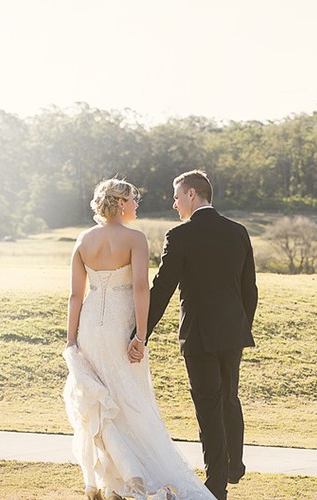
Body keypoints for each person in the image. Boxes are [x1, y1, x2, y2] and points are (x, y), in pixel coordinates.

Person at [62, 178, 214, 500]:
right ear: (119, 203)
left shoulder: (83, 240)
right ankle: (134, 477)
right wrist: (140, 336)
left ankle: (119, 480)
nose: (136, 205)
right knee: (131, 402)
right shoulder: (135, 239)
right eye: (133, 200)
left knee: (102, 403)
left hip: (89, 327)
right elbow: (140, 288)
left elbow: (76, 295)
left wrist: (71, 341)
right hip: (120, 328)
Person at [127, 170, 258, 500]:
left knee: (208, 406)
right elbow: (250, 289)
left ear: (191, 195)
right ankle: (234, 466)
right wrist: (242, 326)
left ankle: (217, 485)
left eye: (176, 196)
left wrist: (140, 333)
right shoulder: (238, 232)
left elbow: (162, 289)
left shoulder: (179, 236)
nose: (173, 204)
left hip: (199, 336)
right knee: (229, 397)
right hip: (232, 332)